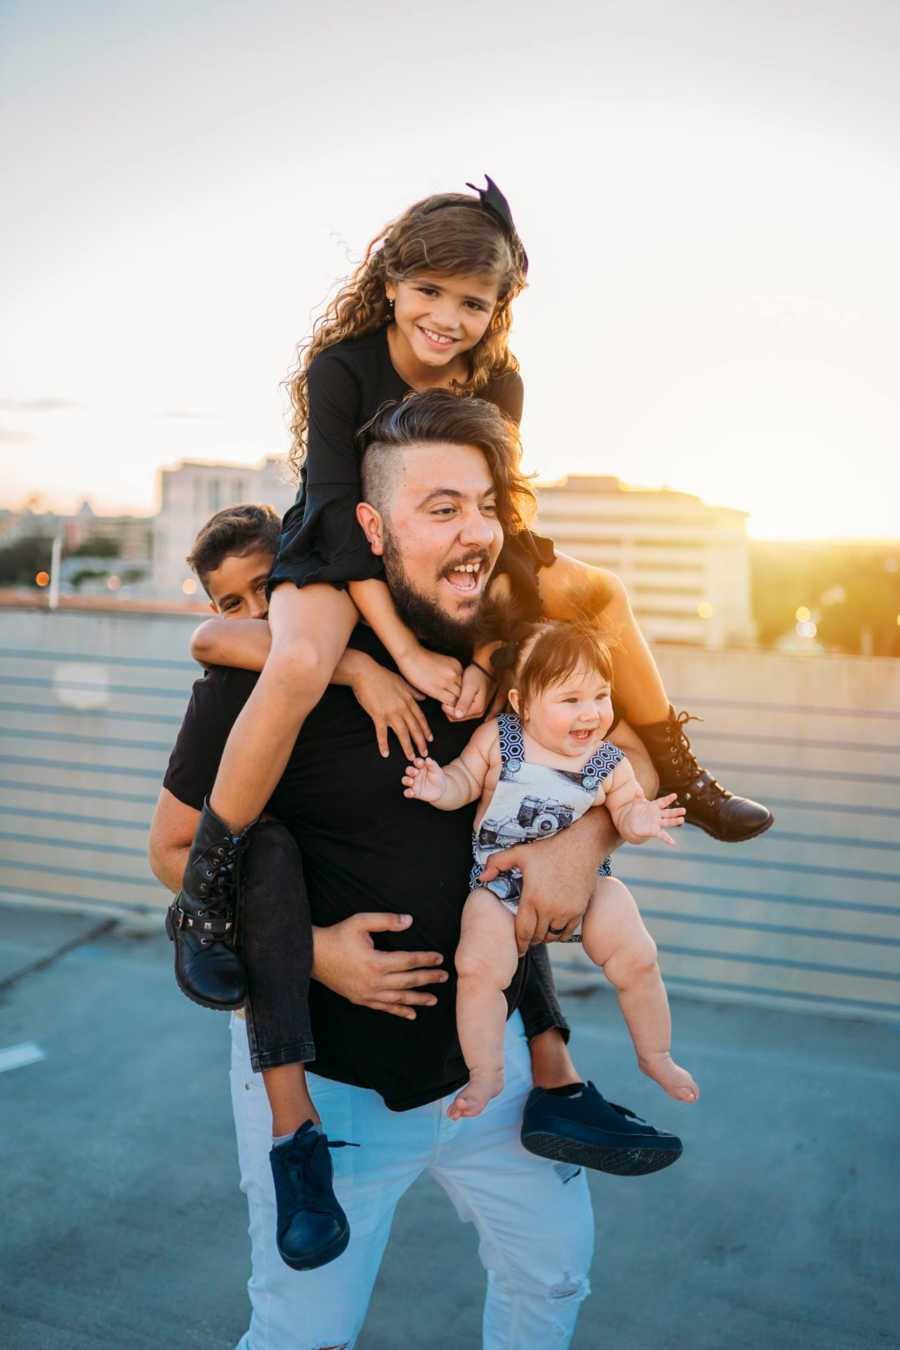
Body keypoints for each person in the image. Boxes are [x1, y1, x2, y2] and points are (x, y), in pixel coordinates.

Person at [167, 175, 773, 1050]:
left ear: (499, 308)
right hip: (343, 547)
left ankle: (680, 765)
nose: (448, 317)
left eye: (473, 302)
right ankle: (205, 898)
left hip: (457, 540)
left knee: (599, 592)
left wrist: (490, 647)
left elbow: (501, 516)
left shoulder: (501, 379)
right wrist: (405, 661)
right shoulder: (342, 369)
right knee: (298, 663)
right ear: (390, 286)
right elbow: (339, 509)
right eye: (429, 292)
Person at [149, 391, 687, 1349]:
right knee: (301, 1333)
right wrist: (311, 953)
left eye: (483, 507)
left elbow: (625, 756)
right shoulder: (262, 675)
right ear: (369, 529)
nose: (471, 533)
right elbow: (175, 854)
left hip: (499, 1062)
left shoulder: (495, 652)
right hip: (334, 1082)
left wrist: (578, 849)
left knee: (553, 1279)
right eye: (439, 509)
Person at [402, 619, 699, 1126]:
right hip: (497, 886)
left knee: (638, 957)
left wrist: (641, 818)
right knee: (478, 969)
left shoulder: (607, 761)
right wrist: (437, 786)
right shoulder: (499, 740)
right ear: (521, 704)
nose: (590, 713)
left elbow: (624, 810)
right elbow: (464, 781)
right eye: (570, 700)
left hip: (587, 882)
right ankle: (486, 1071)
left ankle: (656, 1055)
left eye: (601, 696)